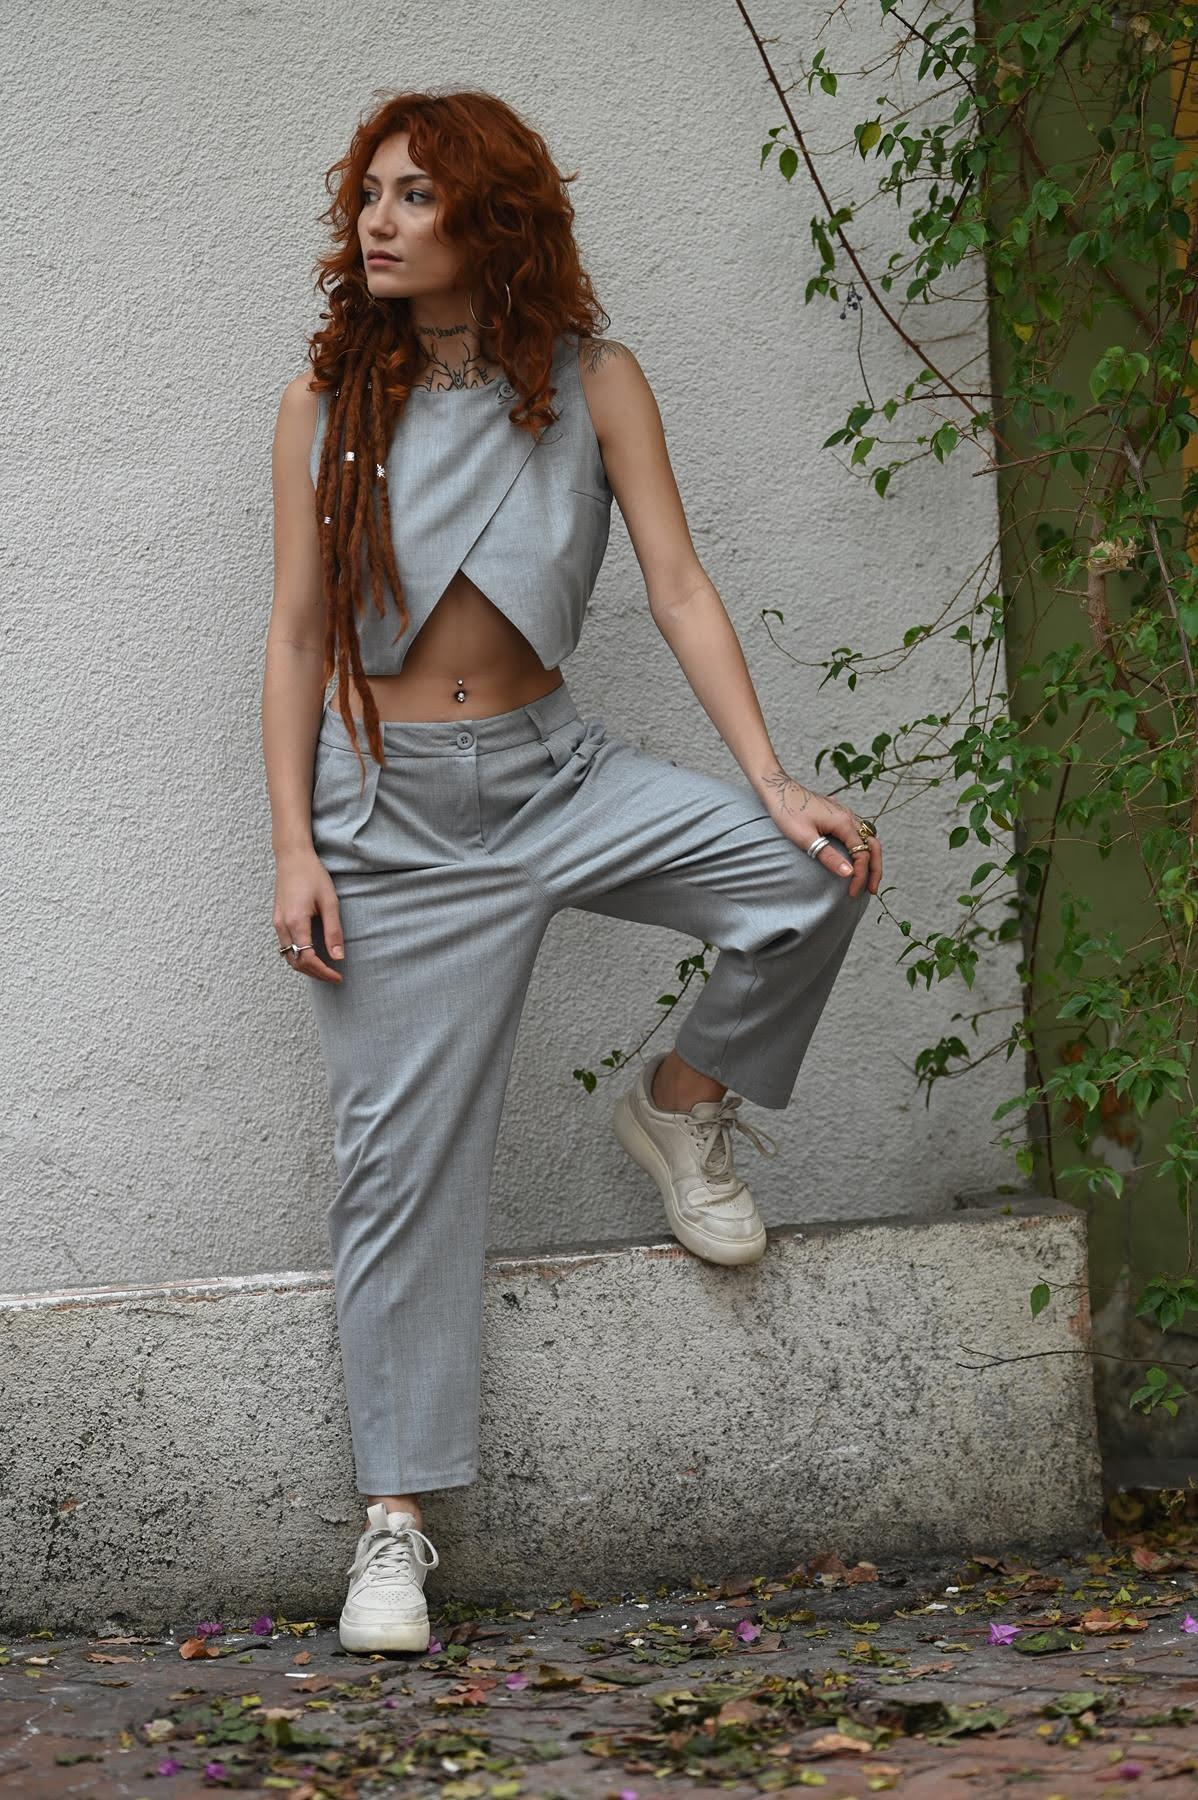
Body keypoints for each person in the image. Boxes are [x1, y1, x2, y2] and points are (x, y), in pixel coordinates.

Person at [262, 87, 881, 1655]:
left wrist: (770, 778)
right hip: (388, 819)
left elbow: (675, 586)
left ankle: (677, 1106)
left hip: (556, 776)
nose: (378, 221)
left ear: (493, 218)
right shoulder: (327, 403)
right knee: (399, 1173)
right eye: (369, 194)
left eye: (415, 195)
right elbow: (295, 637)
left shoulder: (592, 381)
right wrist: (293, 846)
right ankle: (394, 1524)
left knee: (811, 875)